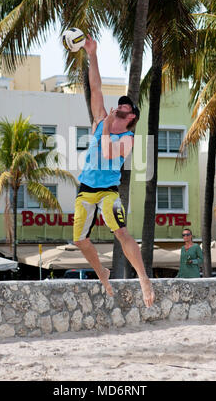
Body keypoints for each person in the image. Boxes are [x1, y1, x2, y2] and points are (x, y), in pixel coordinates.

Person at [73, 35, 155, 308]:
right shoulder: (101, 121)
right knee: (79, 240)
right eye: (119, 104)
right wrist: (92, 53)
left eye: (126, 107)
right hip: (86, 188)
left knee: (121, 233)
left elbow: (108, 152)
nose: (121, 106)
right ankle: (102, 273)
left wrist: (107, 124)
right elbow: (95, 88)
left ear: (131, 117)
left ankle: (143, 277)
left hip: (108, 191)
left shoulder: (128, 139)